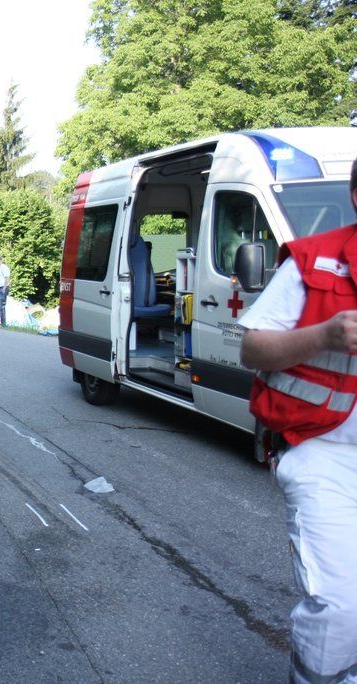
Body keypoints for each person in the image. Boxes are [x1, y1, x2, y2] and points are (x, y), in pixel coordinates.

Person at [239, 157, 357, 684]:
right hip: (323, 453)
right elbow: (252, 349)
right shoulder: (313, 261)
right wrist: (324, 336)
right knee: (341, 606)